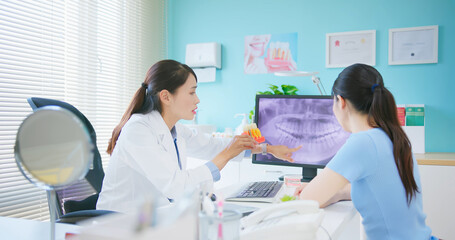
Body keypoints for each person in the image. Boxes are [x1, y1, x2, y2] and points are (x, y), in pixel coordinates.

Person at [97, 59, 300, 212]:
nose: (198, 100)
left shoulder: (174, 129)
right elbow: (175, 185)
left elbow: (214, 145)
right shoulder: (138, 130)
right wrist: (226, 155)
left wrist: (268, 149)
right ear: (166, 96)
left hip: (155, 218)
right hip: (121, 224)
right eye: (192, 92)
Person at [294, 63, 434, 239]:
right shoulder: (393, 136)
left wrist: (316, 191)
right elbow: (382, 186)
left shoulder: (362, 143)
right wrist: (339, 193)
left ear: (341, 102)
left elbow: (308, 199)